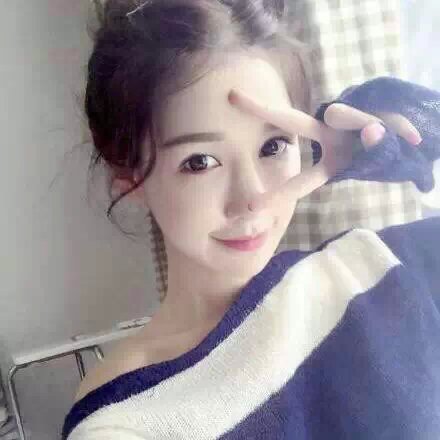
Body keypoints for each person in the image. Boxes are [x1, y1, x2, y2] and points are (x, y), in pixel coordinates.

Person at [62, 0, 440, 438]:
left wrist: (410, 127)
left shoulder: (373, 268)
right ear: (129, 179)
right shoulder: (127, 422)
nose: (253, 200)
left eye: (273, 146)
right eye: (200, 162)